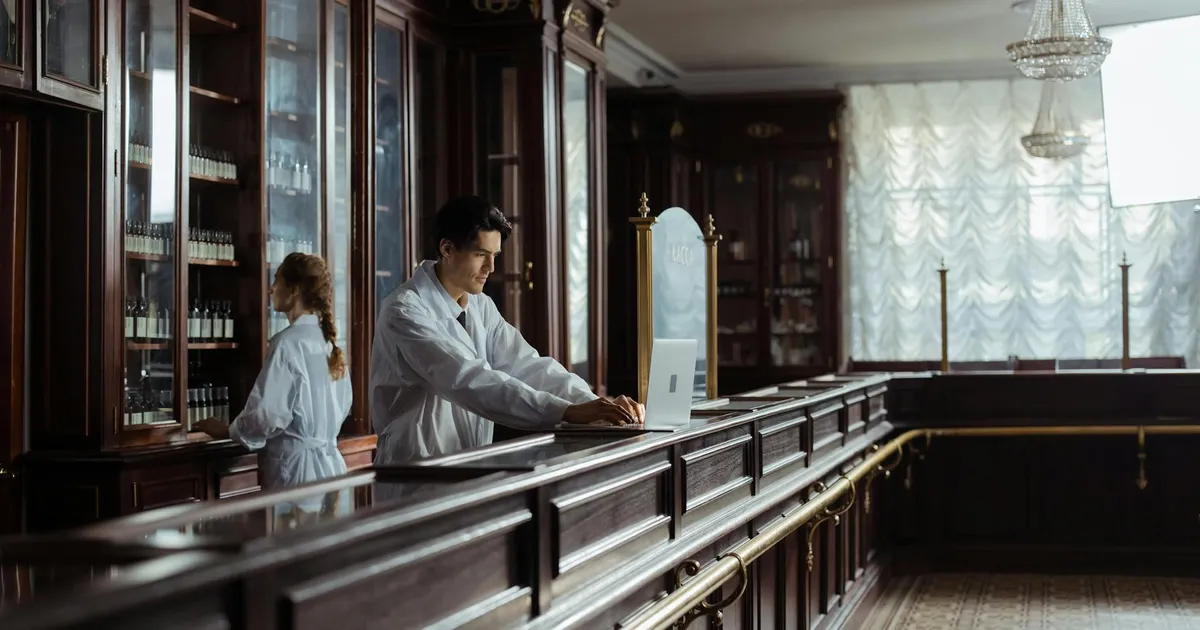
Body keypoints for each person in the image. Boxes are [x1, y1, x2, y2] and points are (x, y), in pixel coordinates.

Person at [370, 195, 645, 465]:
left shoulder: (480, 305)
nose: (490, 268)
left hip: (467, 464)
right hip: (414, 470)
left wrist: (594, 404)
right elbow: (465, 378)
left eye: (494, 256)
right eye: (480, 254)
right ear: (447, 249)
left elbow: (528, 365)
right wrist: (566, 411)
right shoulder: (404, 311)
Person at [196, 252, 353, 491]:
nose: (270, 289)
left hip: (297, 473)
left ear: (294, 290)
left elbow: (266, 415)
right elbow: (344, 403)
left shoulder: (287, 343)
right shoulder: (326, 342)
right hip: (331, 468)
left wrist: (228, 430)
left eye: (277, 280)